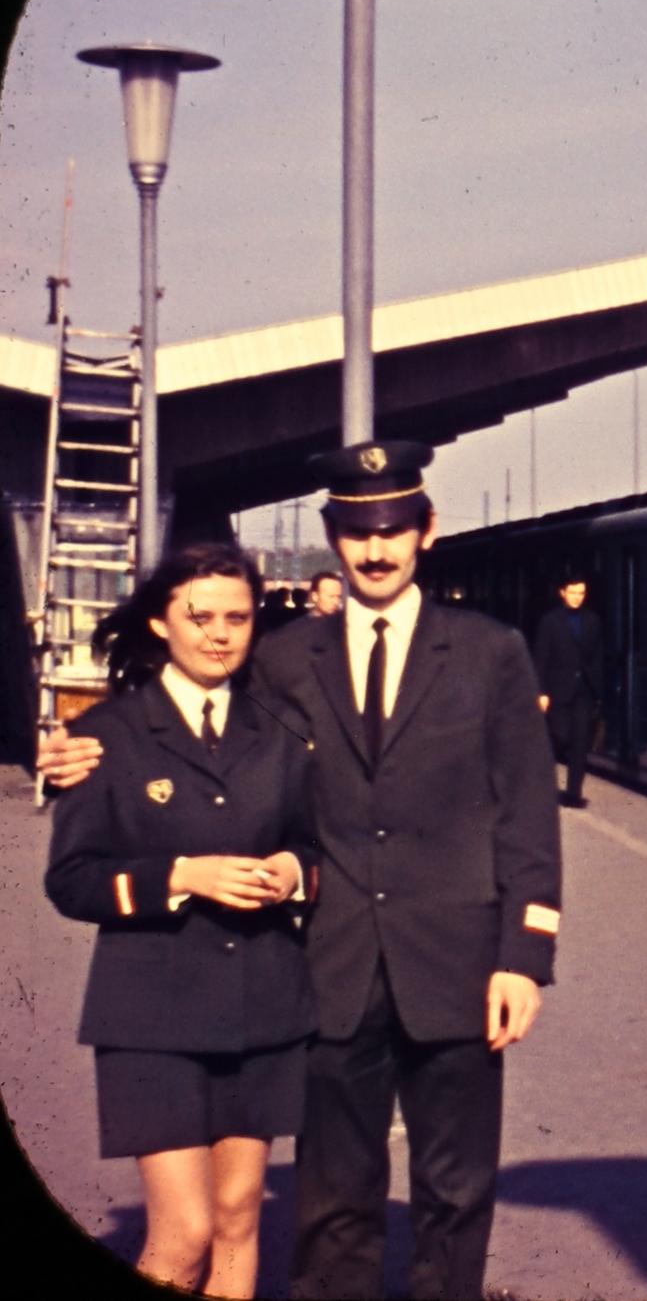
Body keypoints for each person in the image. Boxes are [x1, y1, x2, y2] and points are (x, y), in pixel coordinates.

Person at [41, 441, 563, 1301]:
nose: (377, 548)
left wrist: (524, 954)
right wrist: (77, 750)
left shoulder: (490, 651)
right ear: (333, 537)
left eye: (395, 527)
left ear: (427, 530)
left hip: (462, 963)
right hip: (328, 967)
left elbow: (528, 818)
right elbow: (190, 723)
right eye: (358, 531)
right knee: (331, 1199)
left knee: (457, 1191)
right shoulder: (283, 657)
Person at [44, 543, 318, 1298]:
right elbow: (69, 879)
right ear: (162, 622)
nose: (220, 633)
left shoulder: (283, 729)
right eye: (200, 617)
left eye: (238, 617)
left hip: (263, 1005)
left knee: (237, 1218)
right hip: (151, 1016)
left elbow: (316, 841)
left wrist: (295, 872)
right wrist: (180, 877)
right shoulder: (107, 732)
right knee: (184, 1233)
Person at [532, 577, 604, 808]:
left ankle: (573, 794)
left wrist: (598, 688)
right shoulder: (550, 622)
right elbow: (541, 657)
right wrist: (541, 692)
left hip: (583, 691)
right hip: (557, 690)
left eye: (581, 593)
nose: (577, 597)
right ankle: (542, 787)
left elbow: (596, 656)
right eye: (572, 592)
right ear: (562, 592)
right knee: (559, 738)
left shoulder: (592, 620)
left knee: (580, 743)